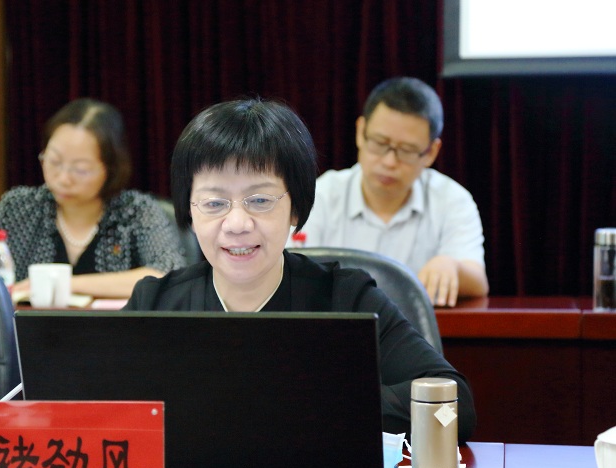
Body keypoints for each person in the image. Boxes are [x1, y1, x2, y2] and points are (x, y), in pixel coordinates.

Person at [123, 98, 477, 442]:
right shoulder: (154, 303)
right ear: (190, 210)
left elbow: (455, 407)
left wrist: (306, 404)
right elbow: (100, 408)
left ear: (296, 207)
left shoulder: (347, 299)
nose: (237, 223)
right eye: (215, 203)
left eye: (259, 200)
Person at [294, 77, 489, 307]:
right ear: (361, 132)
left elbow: (478, 281)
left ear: (430, 153)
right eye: (380, 143)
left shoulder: (452, 200)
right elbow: (290, 272)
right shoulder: (323, 194)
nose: (389, 162)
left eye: (406, 150)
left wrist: (452, 266)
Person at [0, 98, 186, 298]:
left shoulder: (136, 211)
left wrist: (66, 284)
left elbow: (168, 274)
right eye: (54, 161)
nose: (63, 178)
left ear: (111, 168)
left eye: (80, 169)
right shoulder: (17, 207)